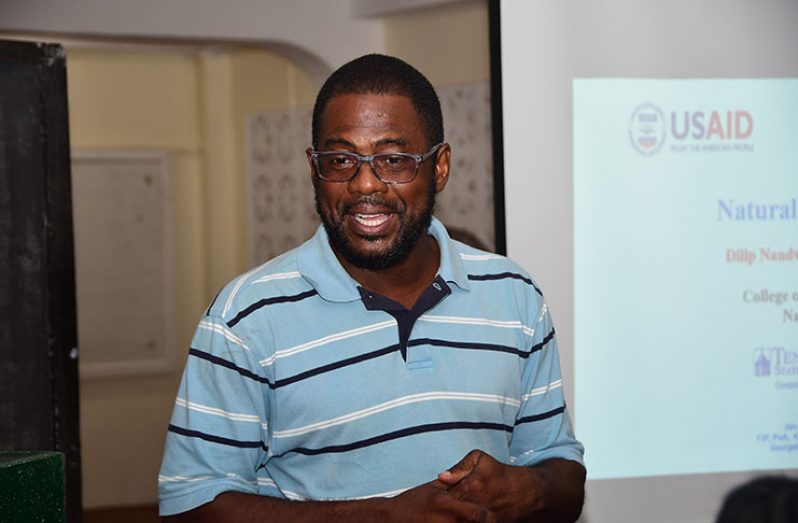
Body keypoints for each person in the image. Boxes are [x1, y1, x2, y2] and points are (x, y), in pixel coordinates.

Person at [158, 54, 585, 522]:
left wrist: (528, 488)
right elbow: (190, 506)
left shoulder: (513, 294)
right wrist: (381, 516)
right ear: (313, 166)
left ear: (439, 167)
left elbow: (563, 476)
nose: (364, 184)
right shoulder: (246, 318)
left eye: (393, 160)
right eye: (341, 160)